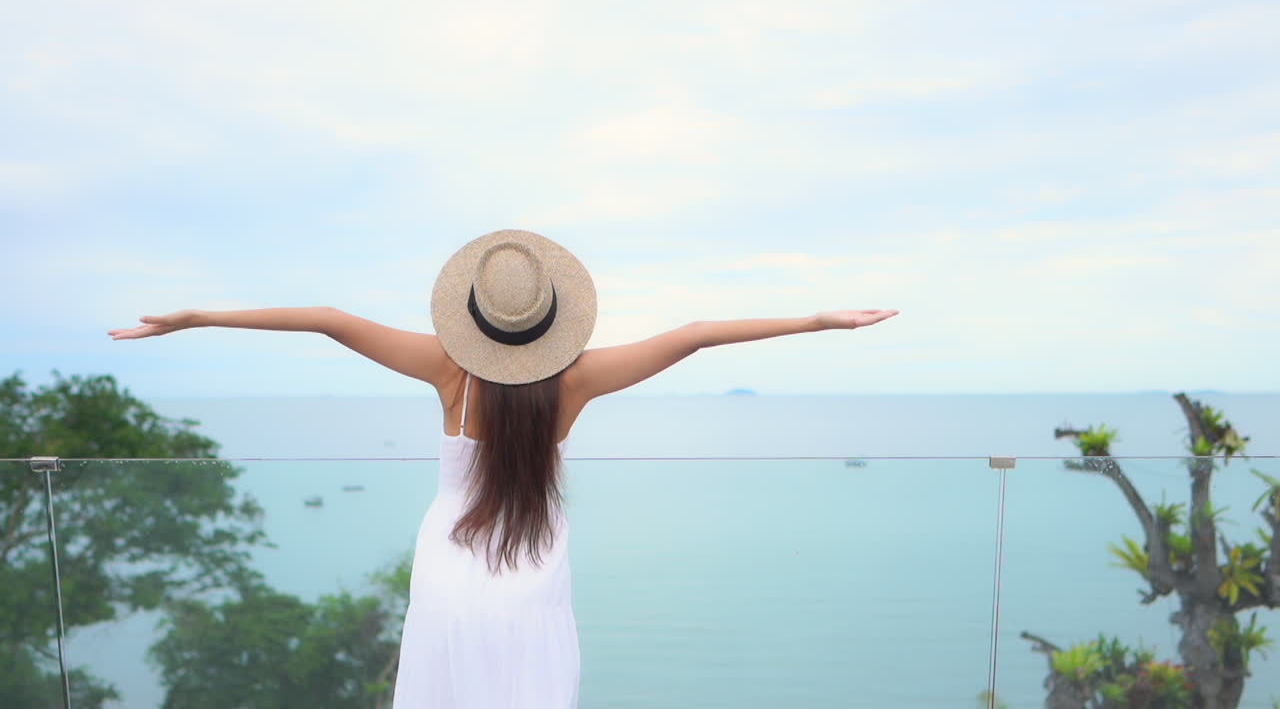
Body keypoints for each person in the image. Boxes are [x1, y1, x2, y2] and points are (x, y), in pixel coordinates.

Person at [108, 230, 898, 708]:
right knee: (528, 682)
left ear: (475, 320)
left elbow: (328, 320)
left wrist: (197, 317)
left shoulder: (447, 370)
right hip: (529, 567)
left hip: (449, 569)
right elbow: (692, 335)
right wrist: (818, 320)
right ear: (552, 320)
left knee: (445, 683)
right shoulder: (576, 380)